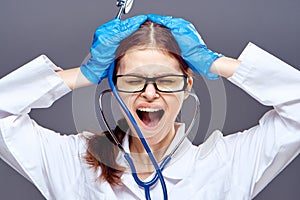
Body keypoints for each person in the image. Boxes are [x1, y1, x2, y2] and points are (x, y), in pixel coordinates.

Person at [0, 14, 299, 199]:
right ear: (114, 88)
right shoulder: (73, 163)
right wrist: (82, 74)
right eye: (133, 80)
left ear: (187, 86)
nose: (150, 94)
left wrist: (216, 62)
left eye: (166, 81)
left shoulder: (229, 164)